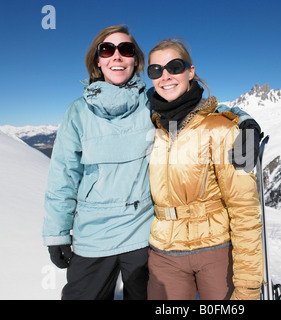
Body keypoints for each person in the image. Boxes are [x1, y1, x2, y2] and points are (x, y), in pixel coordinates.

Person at [42, 26, 262, 300]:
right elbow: (63, 175)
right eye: (107, 50)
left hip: (142, 234)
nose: (117, 57)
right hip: (94, 236)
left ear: (136, 60)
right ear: (97, 60)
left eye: (126, 49)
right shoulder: (78, 112)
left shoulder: (149, 105)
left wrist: (243, 120)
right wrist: (57, 233)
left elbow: (200, 108)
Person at [146, 39, 263, 300]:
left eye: (174, 67)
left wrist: (248, 286)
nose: (165, 76)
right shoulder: (150, 126)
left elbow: (245, 211)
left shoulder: (221, 129)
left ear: (190, 71)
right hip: (164, 253)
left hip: (216, 251)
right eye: (155, 70)